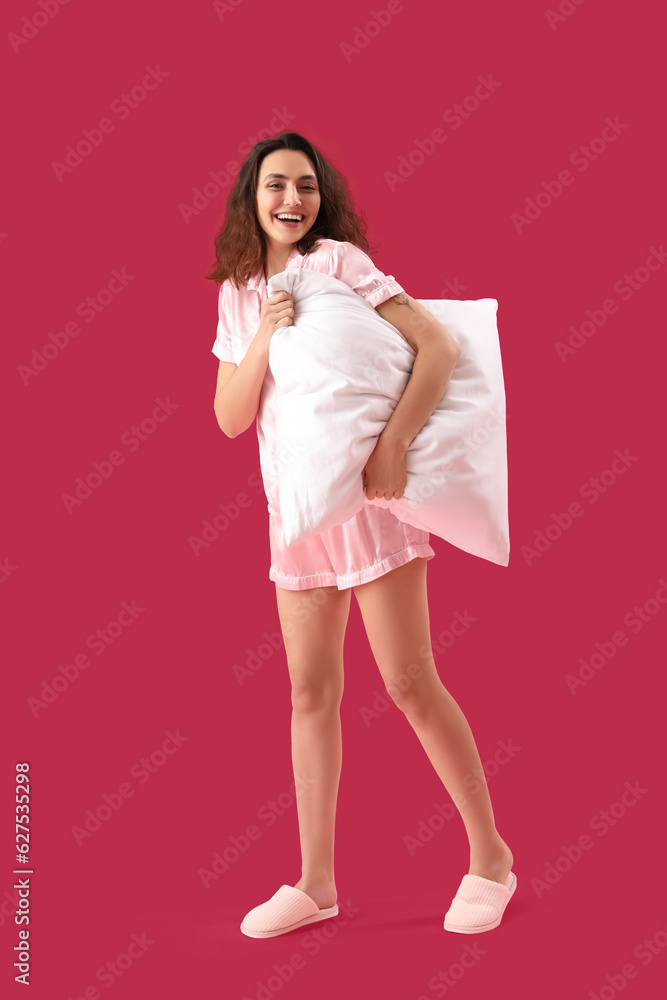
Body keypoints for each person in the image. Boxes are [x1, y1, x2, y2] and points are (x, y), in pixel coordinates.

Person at [207, 131, 516, 939]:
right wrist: (269, 330)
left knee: (409, 682)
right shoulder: (239, 294)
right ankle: (316, 885)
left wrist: (389, 448)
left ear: (319, 198)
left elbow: (437, 347)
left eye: (305, 187)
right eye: (275, 185)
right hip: (297, 516)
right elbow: (230, 418)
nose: (291, 200)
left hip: (369, 505)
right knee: (309, 694)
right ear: (250, 197)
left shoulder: (339, 263)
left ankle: (492, 859)